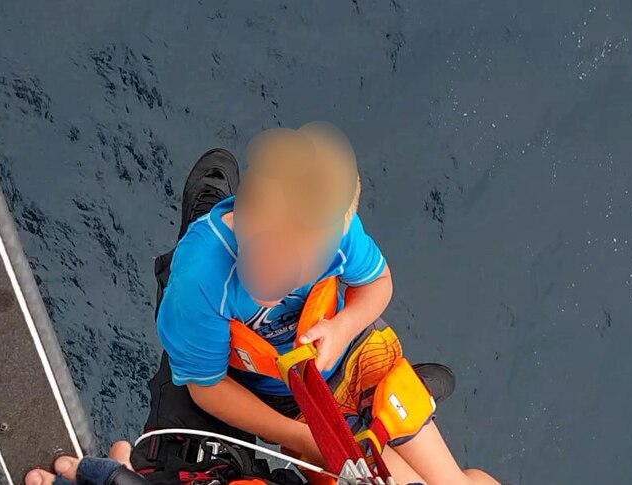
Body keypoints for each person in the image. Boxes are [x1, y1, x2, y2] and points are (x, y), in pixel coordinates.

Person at [151, 123, 501, 485]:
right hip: (294, 401)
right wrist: (303, 437)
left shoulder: (337, 233)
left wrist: (343, 327)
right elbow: (205, 386)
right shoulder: (203, 279)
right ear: (244, 217)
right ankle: (201, 222)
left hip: (354, 358)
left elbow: (378, 283)